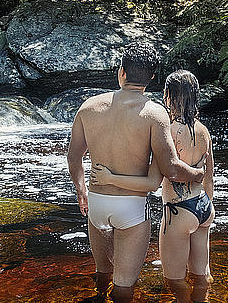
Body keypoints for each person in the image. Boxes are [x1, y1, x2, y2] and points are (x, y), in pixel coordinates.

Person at [67, 44, 205, 303]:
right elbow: (172, 169)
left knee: (102, 274)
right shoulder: (154, 114)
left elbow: (74, 156)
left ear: (121, 72)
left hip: (96, 200)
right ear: (152, 77)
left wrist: (81, 191)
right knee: (124, 287)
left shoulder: (88, 107)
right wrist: (197, 174)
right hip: (131, 206)